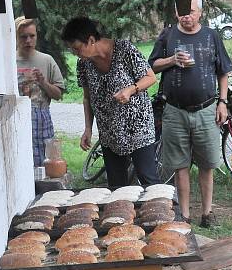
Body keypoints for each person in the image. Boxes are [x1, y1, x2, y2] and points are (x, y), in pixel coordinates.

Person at [149, 0, 232, 227]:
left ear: (201, 13)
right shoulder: (167, 35)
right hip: (175, 111)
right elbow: (152, 66)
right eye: (183, 12)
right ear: (176, 12)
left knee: (207, 164)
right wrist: (172, 60)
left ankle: (207, 213)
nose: (187, 16)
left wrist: (222, 102)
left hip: (206, 109)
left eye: (192, 12)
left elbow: (223, 71)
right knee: (180, 165)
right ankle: (183, 215)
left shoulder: (211, 36)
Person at [61, 17, 161, 187]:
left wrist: (130, 89)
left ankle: (158, 213)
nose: (75, 53)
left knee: (148, 180)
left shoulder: (124, 49)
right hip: (109, 132)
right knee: (116, 186)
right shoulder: (83, 64)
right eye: (71, 50)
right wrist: (87, 128)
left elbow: (151, 78)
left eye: (77, 48)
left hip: (138, 128)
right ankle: (120, 214)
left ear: (91, 40)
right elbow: (87, 97)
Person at [15, 17, 65, 166]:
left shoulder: (46, 60)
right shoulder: (9, 61)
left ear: (37, 35)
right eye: (23, 37)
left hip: (42, 121)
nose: (28, 40)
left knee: (47, 163)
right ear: (16, 37)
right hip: (16, 119)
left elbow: (58, 95)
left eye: (32, 36)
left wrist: (43, 82)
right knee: (21, 161)